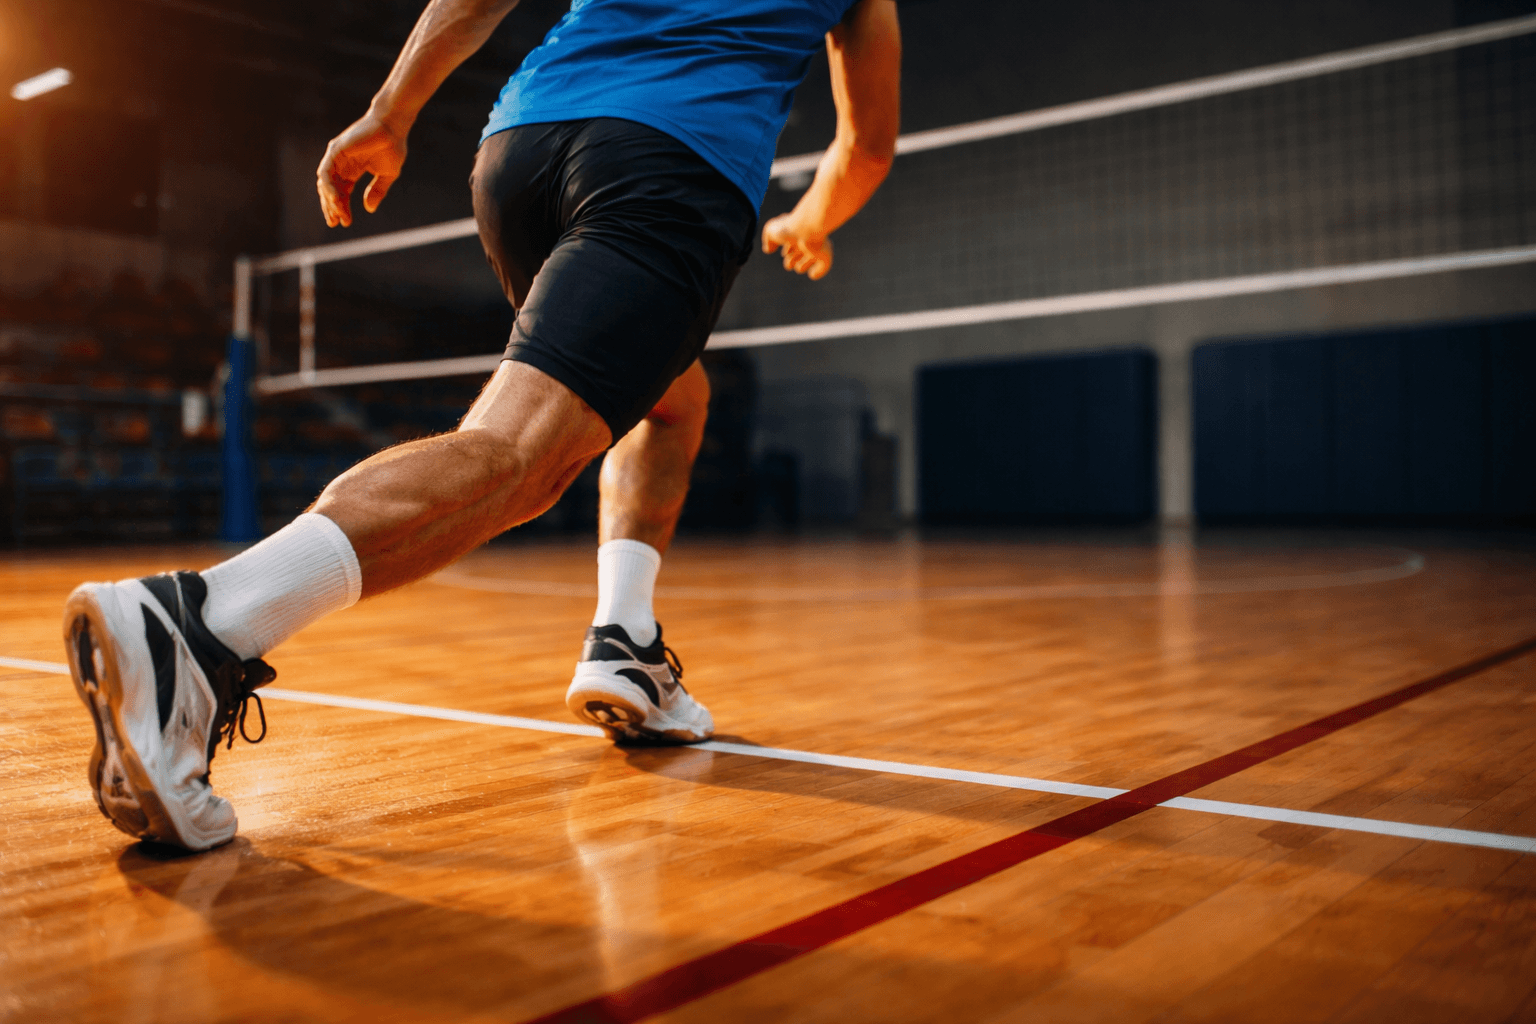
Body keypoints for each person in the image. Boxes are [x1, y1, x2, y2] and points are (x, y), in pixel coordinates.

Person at [62, 0, 902, 852]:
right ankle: (200, 623)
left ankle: (627, 644)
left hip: (523, 150)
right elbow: (867, 144)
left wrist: (391, 113)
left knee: (672, 401)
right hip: (672, 162)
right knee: (522, 454)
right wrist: (808, 220)